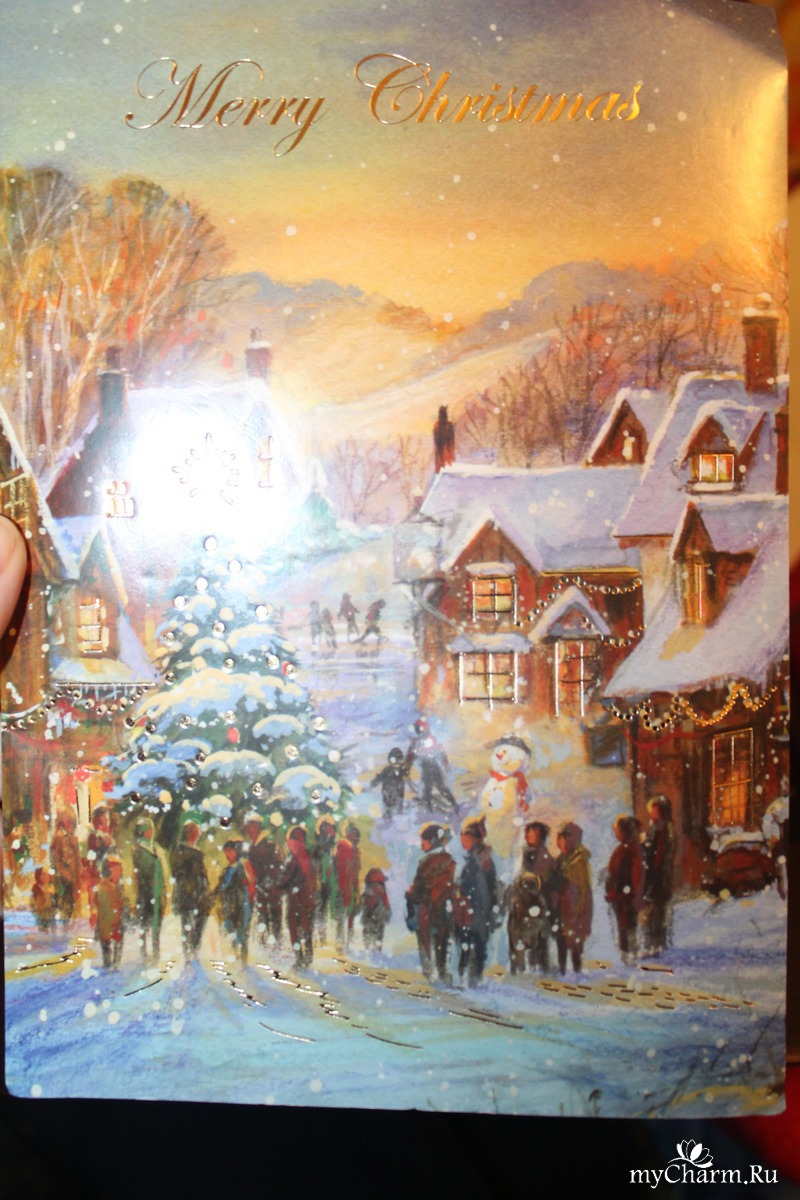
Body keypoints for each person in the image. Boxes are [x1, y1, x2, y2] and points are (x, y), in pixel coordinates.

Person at [406, 822, 456, 985]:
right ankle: (443, 972)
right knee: (442, 941)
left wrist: (410, 895)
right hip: (445, 908)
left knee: (425, 941)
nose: (422, 844)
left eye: (424, 841)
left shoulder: (426, 862)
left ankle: (429, 973)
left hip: (428, 909)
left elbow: (419, 890)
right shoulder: (449, 860)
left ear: (432, 841)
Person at [454, 815, 499, 986]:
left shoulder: (479, 860)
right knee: (475, 948)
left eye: (464, 837)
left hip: (474, 912)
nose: (462, 841)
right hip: (476, 912)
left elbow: (479, 888)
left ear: (471, 838)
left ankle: (470, 982)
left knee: (472, 948)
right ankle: (471, 980)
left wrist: (464, 896)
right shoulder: (479, 858)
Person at [552, 821, 592, 975]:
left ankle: (576, 973)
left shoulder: (578, 861)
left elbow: (581, 889)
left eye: (565, 839)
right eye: (560, 839)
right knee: (561, 943)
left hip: (574, 910)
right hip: (561, 909)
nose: (561, 842)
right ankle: (563, 971)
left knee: (575, 944)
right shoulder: (560, 860)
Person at [605, 814, 645, 967]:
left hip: (625, 896)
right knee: (624, 925)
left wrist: (634, 894)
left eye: (617, 830)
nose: (615, 833)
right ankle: (627, 953)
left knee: (627, 925)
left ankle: (629, 954)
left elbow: (636, 874)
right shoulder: (623, 849)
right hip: (619, 895)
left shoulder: (630, 850)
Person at [170, 820, 211, 956]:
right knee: (187, 922)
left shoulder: (194, 851)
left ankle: (193, 948)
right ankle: (189, 950)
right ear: (189, 834)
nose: (198, 835)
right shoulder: (181, 851)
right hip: (188, 893)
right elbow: (177, 872)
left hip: (198, 894)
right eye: (196, 832)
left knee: (199, 921)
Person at [276, 826, 315, 968]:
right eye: (290, 841)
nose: (291, 844)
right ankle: (307, 958)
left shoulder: (293, 860)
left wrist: (277, 884)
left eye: (293, 840)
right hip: (308, 900)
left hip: (296, 901)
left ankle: (300, 959)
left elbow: (282, 881)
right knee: (306, 929)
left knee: (295, 929)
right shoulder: (309, 857)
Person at [642, 795, 675, 955]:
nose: (651, 814)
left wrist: (646, 849)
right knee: (653, 912)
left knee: (656, 912)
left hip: (659, 878)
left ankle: (656, 945)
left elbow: (659, 857)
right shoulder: (655, 829)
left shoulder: (665, 830)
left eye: (653, 811)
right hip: (653, 878)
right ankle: (653, 944)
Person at [244, 812, 284, 946]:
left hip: (271, 888)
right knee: (262, 918)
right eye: (248, 828)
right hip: (259, 889)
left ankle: (275, 944)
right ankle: (264, 944)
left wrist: (269, 882)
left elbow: (278, 866)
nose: (250, 831)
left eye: (252, 828)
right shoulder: (251, 847)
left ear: (258, 827)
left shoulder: (269, 845)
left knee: (274, 918)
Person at [215, 839, 256, 962]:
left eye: (229, 851)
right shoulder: (228, 869)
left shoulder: (242, 865)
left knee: (242, 930)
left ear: (236, 851)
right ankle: (235, 955)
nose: (227, 855)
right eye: (225, 852)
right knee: (230, 927)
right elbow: (222, 886)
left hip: (242, 902)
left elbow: (251, 882)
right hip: (230, 904)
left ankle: (243, 958)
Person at [132, 817, 167, 959]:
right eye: (149, 829)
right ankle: (144, 952)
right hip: (146, 892)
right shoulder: (139, 849)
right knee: (145, 922)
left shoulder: (155, 848)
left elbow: (162, 872)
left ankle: (155, 950)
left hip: (157, 892)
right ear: (144, 831)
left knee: (155, 922)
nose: (152, 832)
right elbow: (143, 873)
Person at [405, 717, 457, 811]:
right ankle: (430, 806)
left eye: (419, 728)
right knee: (429, 787)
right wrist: (407, 768)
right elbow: (410, 755)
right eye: (418, 728)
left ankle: (452, 804)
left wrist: (445, 763)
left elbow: (440, 751)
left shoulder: (428, 740)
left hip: (432, 766)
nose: (419, 731)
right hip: (427, 767)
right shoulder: (417, 742)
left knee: (437, 786)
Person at [84, 805, 115, 922]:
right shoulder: (93, 839)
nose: (100, 828)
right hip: (97, 880)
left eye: (103, 824)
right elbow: (90, 862)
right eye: (97, 824)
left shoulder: (112, 841)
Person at [333, 821, 361, 949]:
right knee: (341, 916)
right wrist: (345, 889)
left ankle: (349, 942)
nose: (354, 836)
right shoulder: (343, 847)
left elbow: (355, 871)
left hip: (351, 886)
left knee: (350, 915)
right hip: (342, 886)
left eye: (355, 833)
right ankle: (340, 942)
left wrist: (354, 888)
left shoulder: (354, 849)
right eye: (352, 833)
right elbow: (342, 870)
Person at [50, 809, 81, 923]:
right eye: (66, 823)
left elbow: (78, 861)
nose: (69, 826)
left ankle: (66, 922)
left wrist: (76, 880)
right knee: (60, 904)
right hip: (60, 880)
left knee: (69, 907)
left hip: (72, 881)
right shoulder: (57, 840)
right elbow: (56, 861)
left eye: (71, 823)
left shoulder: (74, 840)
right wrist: (65, 874)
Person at [95, 854, 126, 969]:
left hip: (113, 925)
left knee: (113, 946)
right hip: (110, 925)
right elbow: (102, 907)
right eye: (118, 870)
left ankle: (113, 965)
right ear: (110, 870)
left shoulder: (113, 886)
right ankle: (111, 966)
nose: (120, 873)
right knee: (109, 947)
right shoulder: (106, 887)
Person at [311, 814, 337, 942]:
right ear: (323, 827)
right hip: (319, 879)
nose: (330, 830)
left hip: (327, 880)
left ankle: (322, 936)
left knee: (324, 908)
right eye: (328, 827)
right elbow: (317, 859)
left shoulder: (331, 843)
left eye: (332, 827)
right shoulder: (320, 843)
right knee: (319, 908)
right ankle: (318, 936)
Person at [370, 747, 409, 818]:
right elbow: (380, 777)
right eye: (396, 759)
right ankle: (388, 814)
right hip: (388, 791)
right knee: (388, 806)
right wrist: (373, 783)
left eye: (399, 759)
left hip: (397, 791)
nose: (397, 762)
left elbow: (406, 774)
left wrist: (404, 771)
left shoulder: (401, 769)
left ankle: (397, 814)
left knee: (397, 805)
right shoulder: (387, 770)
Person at [360, 867, 391, 952]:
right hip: (379, 911)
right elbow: (385, 900)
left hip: (368, 912)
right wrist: (388, 910)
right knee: (379, 930)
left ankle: (367, 947)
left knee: (367, 929)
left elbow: (362, 901)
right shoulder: (381, 888)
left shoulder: (367, 890)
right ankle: (377, 947)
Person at [31, 865, 55, 931]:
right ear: (39, 876)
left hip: (49, 911)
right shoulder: (37, 887)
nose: (47, 876)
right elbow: (35, 901)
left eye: (47, 874)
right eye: (44, 874)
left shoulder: (49, 886)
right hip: (41, 911)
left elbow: (52, 897)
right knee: (43, 927)